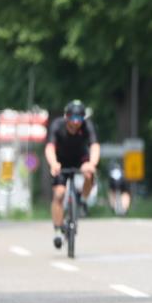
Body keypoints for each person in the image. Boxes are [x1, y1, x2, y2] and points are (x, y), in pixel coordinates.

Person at [46, 100, 100, 249]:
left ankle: (82, 201)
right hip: (60, 161)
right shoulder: (57, 126)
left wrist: (92, 164)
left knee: (89, 174)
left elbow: (94, 146)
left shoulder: (87, 126)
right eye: (73, 119)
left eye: (79, 119)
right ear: (66, 117)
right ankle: (57, 229)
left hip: (80, 159)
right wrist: (53, 164)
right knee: (59, 194)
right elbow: (50, 147)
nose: (76, 123)